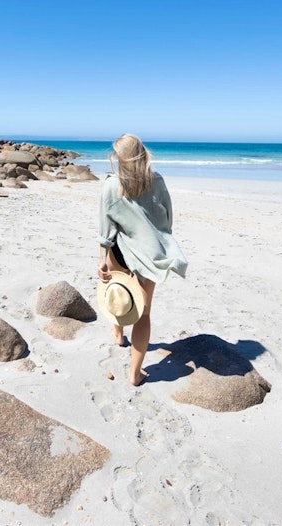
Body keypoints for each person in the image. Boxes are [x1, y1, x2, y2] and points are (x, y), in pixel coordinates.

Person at [97, 134, 188, 386]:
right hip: (149, 255)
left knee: (120, 293)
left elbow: (105, 231)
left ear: (118, 157)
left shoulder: (110, 185)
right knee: (143, 313)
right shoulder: (157, 181)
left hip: (118, 250)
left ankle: (118, 332)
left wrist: (101, 261)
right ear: (143, 154)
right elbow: (167, 218)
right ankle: (135, 373)